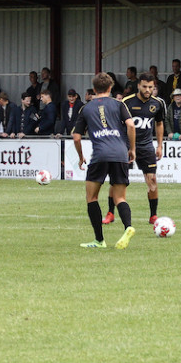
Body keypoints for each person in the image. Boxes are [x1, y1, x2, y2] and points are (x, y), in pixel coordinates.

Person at [72, 72, 137, 250]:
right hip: (120, 154)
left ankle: (99, 240)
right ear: (110, 88)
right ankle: (128, 226)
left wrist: (80, 157)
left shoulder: (85, 108)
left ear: (93, 89)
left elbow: (76, 137)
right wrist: (131, 149)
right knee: (120, 197)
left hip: (100, 156)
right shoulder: (119, 104)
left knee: (92, 197)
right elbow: (131, 125)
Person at [108, 74, 166, 226]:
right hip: (125, 146)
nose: (148, 90)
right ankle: (110, 213)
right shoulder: (127, 102)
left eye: (151, 87)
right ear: (139, 85)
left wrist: (159, 145)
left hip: (146, 147)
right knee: (117, 181)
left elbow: (159, 124)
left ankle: (153, 215)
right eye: (145, 87)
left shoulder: (158, 103)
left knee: (152, 180)